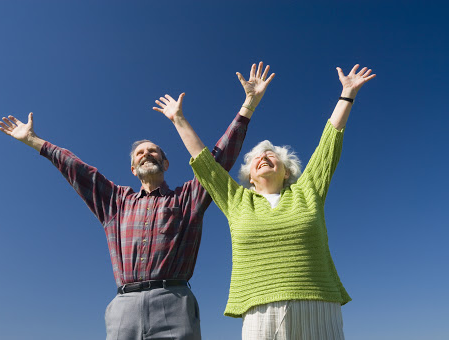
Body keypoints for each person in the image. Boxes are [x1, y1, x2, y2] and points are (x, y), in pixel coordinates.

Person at [0, 62, 274, 340]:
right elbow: (77, 169)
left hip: (174, 302)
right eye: (140, 153)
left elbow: (217, 161)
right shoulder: (116, 202)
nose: (147, 154)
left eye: (154, 151)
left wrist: (247, 106)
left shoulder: (187, 198)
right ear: (133, 168)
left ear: (166, 163)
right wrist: (35, 141)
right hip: (124, 309)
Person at [155, 64, 376, 340]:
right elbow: (205, 164)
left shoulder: (307, 190)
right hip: (260, 311)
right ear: (250, 176)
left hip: (318, 305)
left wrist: (347, 94)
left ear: (287, 171)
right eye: (257, 158)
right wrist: (178, 118)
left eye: (273, 156)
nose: (264, 157)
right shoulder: (236, 200)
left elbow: (329, 143)